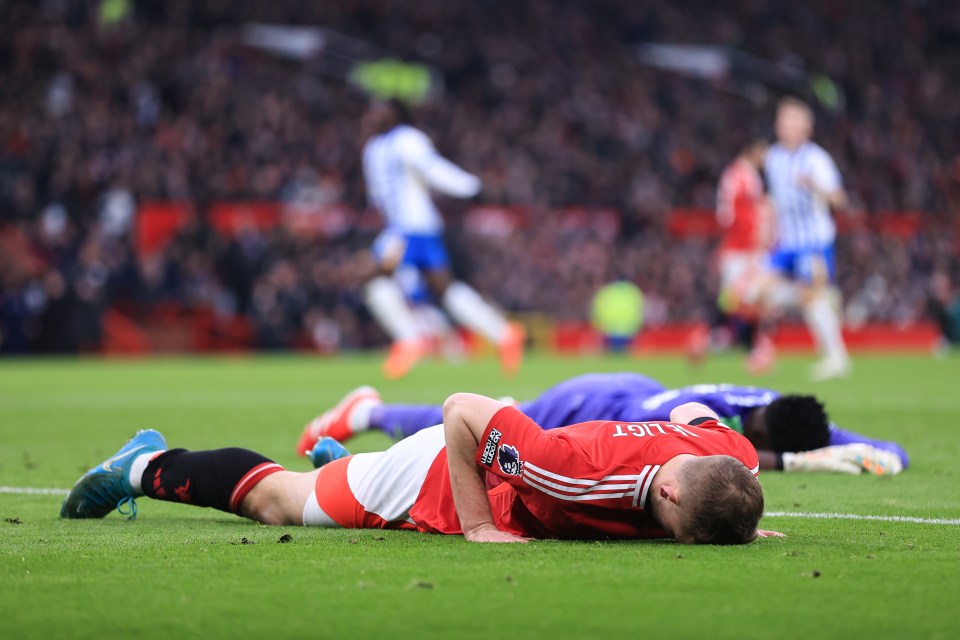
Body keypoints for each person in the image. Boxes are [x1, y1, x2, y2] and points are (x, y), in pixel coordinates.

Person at [60, 395, 779, 545]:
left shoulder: (733, 460)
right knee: (280, 504)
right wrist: (473, 526)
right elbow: (461, 409)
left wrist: (736, 522)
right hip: (439, 469)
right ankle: (144, 466)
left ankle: (347, 469)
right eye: (678, 530)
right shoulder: (570, 469)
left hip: (509, 456)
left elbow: (690, 408)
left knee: (334, 486)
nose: (671, 539)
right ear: (678, 485)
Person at [297, 373, 907, 475]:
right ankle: (367, 412)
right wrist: (798, 463)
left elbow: (831, 432)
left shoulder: (770, 403)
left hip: (624, 388)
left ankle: (367, 414)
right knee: (461, 430)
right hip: (592, 406)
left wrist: (880, 449)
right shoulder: (708, 423)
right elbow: (685, 451)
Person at [360, 100, 524, 379]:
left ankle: (410, 340)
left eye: (380, 110)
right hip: (406, 226)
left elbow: (433, 169)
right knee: (443, 288)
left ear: (396, 115)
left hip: (410, 226)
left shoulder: (407, 140)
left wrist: (471, 185)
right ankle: (504, 334)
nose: (373, 115)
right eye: (371, 109)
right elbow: (378, 192)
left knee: (375, 277)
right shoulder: (373, 148)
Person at [764, 97, 851, 381]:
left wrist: (815, 185)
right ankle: (825, 300)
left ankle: (836, 357)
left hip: (813, 241)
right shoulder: (773, 158)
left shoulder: (816, 159)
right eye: (783, 119)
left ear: (807, 127)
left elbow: (840, 198)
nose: (787, 125)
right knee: (757, 292)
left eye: (794, 120)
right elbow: (775, 200)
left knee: (809, 296)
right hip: (785, 242)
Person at [713, 138, 777, 374]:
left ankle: (749, 345)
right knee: (741, 298)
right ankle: (724, 336)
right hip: (743, 248)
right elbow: (733, 215)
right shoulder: (744, 175)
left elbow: (726, 215)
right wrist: (755, 239)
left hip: (740, 247)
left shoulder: (736, 175)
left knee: (747, 297)